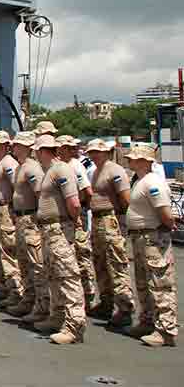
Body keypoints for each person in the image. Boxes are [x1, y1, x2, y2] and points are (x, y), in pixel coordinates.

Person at [34, 135, 86, 345]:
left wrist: (74, 223)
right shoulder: (50, 171)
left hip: (59, 229)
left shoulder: (61, 169)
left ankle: (75, 325)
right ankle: (57, 317)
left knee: (67, 276)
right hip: (49, 230)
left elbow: (74, 203)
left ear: (41, 151)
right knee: (54, 275)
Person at [124, 143, 177, 347]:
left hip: (152, 238)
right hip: (140, 238)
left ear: (145, 161)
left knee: (160, 284)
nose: (130, 160)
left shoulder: (153, 182)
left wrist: (165, 228)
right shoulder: (140, 180)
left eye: (134, 158)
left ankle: (166, 330)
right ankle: (147, 321)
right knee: (143, 283)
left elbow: (164, 213)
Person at [84, 138, 134, 327]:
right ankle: (106, 303)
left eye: (98, 151)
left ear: (106, 152)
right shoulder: (96, 171)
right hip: (97, 219)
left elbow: (126, 199)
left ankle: (125, 307)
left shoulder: (115, 170)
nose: (94, 154)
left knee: (116, 264)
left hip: (110, 218)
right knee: (100, 263)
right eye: (92, 152)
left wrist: (121, 221)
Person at [7, 132, 50, 322]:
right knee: (24, 263)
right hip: (20, 219)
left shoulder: (32, 168)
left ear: (25, 147)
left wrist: (38, 219)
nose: (13, 148)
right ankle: (29, 300)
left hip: (31, 219)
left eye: (16, 145)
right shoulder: (21, 167)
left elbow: (40, 195)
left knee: (36, 264)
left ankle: (42, 306)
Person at [57, 135, 97, 310]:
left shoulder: (74, 166)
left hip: (76, 215)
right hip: (69, 215)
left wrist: (78, 208)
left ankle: (88, 296)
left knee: (81, 255)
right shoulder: (63, 166)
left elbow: (87, 192)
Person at [0, 131, 22, 307]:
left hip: (5, 209)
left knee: (8, 251)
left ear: (3, 145)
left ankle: (16, 291)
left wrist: (13, 208)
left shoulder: (8, 163)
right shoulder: (0, 162)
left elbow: (16, 185)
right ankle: (3, 287)